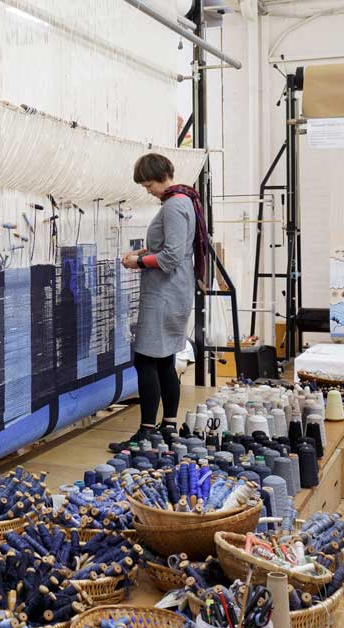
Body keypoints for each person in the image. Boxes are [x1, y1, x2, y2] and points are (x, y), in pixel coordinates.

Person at [117, 153, 208, 446]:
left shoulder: (173, 205)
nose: (148, 191)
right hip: (174, 292)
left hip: (165, 294)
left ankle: (147, 431)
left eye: (148, 185)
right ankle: (168, 426)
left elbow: (169, 258)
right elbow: (174, 249)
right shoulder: (185, 200)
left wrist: (138, 263)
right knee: (165, 360)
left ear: (159, 177)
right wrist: (144, 254)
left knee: (146, 361)